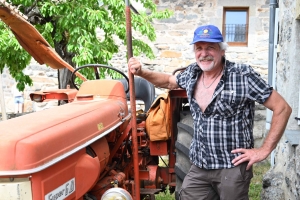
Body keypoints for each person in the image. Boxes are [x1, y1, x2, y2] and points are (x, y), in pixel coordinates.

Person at [128, 24, 292, 199]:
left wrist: (264, 150)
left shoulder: (242, 76)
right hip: (200, 166)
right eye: (199, 48)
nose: (204, 53)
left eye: (210, 48)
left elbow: (282, 108)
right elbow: (169, 81)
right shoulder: (192, 73)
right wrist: (142, 72)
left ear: (222, 51)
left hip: (232, 167)